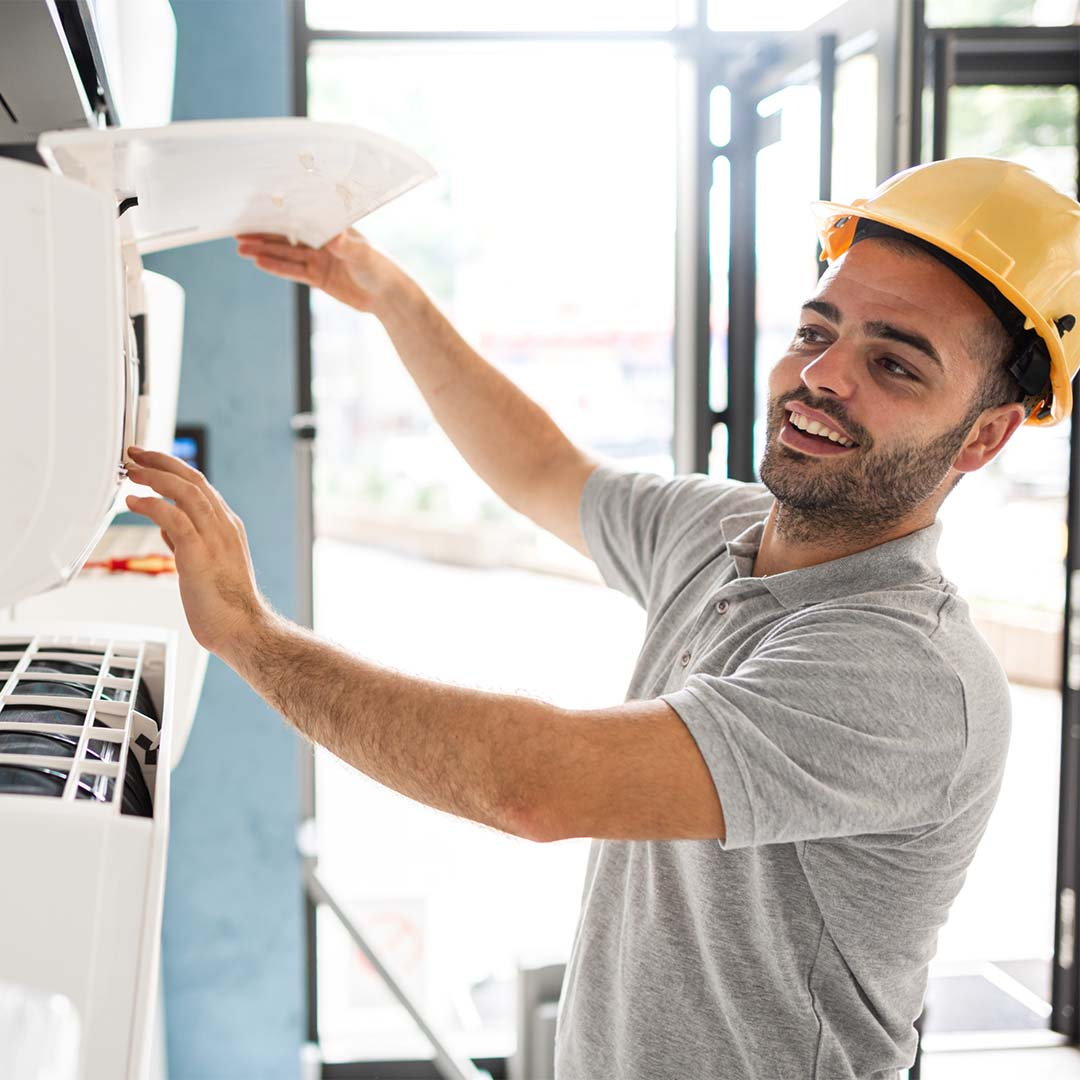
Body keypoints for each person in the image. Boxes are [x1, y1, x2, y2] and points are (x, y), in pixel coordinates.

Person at [123, 156, 1080, 1079]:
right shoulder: (723, 531)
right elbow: (544, 469)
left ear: (986, 435)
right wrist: (386, 291)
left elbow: (532, 784)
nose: (823, 375)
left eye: (896, 364)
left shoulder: (906, 674)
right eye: (814, 330)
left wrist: (247, 631)